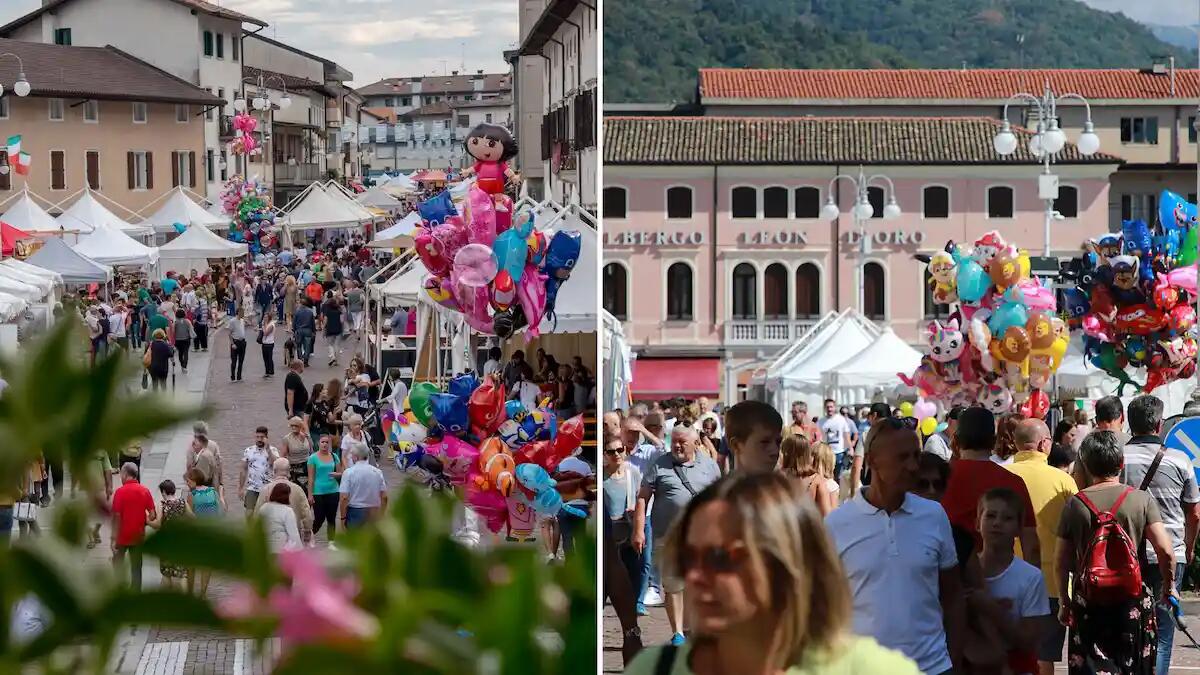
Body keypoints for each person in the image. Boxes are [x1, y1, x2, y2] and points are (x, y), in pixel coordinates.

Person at [627, 470, 922, 674]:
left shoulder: (874, 671)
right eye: (687, 558)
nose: (694, 576)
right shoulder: (653, 669)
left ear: (788, 563)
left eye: (720, 558)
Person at [825, 417, 966, 674]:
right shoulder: (836, 524)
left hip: (933, 667)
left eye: (916, 456)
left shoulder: (933, 515)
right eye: (902, 457)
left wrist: (953, 659)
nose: (913, 466)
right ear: (873, 459)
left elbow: (953, 594)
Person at [1056, 430, 1176, 674]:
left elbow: (1061, 560)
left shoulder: (1074, 504)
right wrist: (1169, 586)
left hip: (1088, 598)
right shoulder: (1141, 500)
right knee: (1132, 664)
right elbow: (1165, 550)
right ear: (1121, 463)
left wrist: (1064, 601)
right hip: (1130, 597)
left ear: (1086, 464)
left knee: (1089, 665)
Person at [1120, 395, 1200, 675]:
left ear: (1130, 424)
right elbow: (1194, 513)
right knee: (1163, 633)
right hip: (1170, 553)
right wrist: (1188, 549)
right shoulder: (1180, 460)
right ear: (1159, 424)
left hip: (1123, 553)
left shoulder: (1118, 460)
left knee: (1127, 627)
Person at [632, 425, 721, 646]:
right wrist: (638, 529)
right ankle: (678, 633)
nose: (678, 446)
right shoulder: (659, 463)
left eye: (683, 442)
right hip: (667, 535)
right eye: (675, 442)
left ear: (695, 443)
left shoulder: (710, 467)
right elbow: (643, 497)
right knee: (673, 584)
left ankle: (691, 627)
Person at [1002, 419, 1078, 675]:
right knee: (1044, 657)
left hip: (1005, 580)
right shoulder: (1063, 481)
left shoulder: (1001, 476)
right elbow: (1077, 532)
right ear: (1045, 444)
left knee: (1008, 655)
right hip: (1053, 582)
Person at [940, 406, 1040, 567]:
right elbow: (1031, 545)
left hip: (948, 577)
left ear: (956, 441)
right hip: (1000, 573)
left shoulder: (936, 479)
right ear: (993, 441)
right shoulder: (1013, 481)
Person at [975, 488, 1051, 675]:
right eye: (991, 516)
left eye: (1007, 518)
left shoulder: (1031, 578)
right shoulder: (962, 571)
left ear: (1018, 528)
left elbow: (1028, 641)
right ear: (978, 522)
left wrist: (991, 610)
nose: (997, 524)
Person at [604, 435, 644, 615]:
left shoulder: (633, 472)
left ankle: (632, 610)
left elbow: (641, 499)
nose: (616, 455)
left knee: (633, 572)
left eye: (620, 450)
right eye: (611, 451)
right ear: (605, 454)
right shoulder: (602, 477)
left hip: (629, 529)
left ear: (625, 451)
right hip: (609, 532)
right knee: (607, 575)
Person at [110, 463, 155, 590]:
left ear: (125, 474)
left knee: (117, 562)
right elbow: (152, 515)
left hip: (122, 536)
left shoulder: (120, 492)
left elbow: (117, 516)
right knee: (136, 566)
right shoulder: (144, 491)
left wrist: (113, 538)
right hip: (138, 536)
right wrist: (141, 520)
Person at [255, 460, 311, 546]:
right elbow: (306, 513)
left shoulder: (266, 489)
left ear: (274, 471)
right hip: (294, 534)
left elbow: (257, 515)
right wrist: (307, 531)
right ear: (288, 471)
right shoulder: (298, 489)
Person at [777, 434, 836, 516]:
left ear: (786, 453)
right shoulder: (816, 480)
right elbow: (827, 514)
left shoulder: (776, 478)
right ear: (807, 453)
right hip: (808, 526)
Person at [148, 479, 189, 589]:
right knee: (183, 574)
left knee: (167, 573)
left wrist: (147, 522)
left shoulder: (162, 505)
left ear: (163, 492)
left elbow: (157, 524)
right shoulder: (183, 502)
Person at [722, 400, 783, 473]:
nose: (775, 451)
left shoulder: (784, 483)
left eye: (778, 442)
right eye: (765, 442)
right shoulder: (724, 484)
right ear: (736, 445)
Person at [338, 445, 387, 528]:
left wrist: (343, 518)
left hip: (355, 512)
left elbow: (344, 497)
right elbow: (384, 497)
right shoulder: (378, 472)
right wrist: (381, 514)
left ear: (356, 457)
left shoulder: (349, 473)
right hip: (373, 510)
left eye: (352, 455)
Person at [307, 435, 343, 542]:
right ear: (318, 443)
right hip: (318, 491)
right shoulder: (313, 458)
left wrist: (336, 474)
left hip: (333, 490)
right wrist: (310, 494)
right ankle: (310, 536)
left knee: (331, 518)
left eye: (327, 442)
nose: (325, 444)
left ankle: (331, 541)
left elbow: (340, 473)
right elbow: (311, 478)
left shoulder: (334, 456)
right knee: (319, 518)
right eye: (322, 442)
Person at [239, 427, 278, 518]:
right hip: (252, 488)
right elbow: (243, 469)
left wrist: (268, 449)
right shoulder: (249, 450)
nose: (259, 439)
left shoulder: (273, 450)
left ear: (266, 437)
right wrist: (241, 488)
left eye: (262, 437)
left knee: (267, 515)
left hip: (268, 488)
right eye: (257, 437)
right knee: (249, 513)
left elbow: (275, 464)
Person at [818, 399, 856, 482]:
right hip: (826, 453)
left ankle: (838, 493)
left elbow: (846, 435)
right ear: (825, 408)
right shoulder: (821, 422)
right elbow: (818, 437)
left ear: (834, 408)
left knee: (839, 476)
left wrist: (850, 448)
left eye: (831, 407)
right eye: (827, 407)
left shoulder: (841, 420)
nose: (829, 409)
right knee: (827, 477)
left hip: (839, 452)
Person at [281, 416, 313, 485]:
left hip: (307, 466)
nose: (293, 427)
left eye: (296, 426)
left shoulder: (306, 437)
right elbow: (283, 456)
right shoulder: (287, 439)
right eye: (292, 425)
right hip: (294, 468)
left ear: (300, 426)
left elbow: (311, 452)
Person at [292, 299, 317, 366]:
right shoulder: (310, 312)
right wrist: (314, 331)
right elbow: (313, 323)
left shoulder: (297, 312)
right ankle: (306, 360)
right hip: (308, 330)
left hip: (299, 330)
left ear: (301, 304)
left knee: (299, 346)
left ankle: (300, 360)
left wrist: (294, 330)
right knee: (307, 347)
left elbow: (294, 322)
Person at [228, 310, 247, 382]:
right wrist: (232, 343)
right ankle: (233, 377)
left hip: (242, 342)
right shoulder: (232, 321)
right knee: (234, 361)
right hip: (235, 342)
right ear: (238, 313)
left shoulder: (242, 320)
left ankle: (239, 376)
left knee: (241, 361)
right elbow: (229, 334)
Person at [260, 312, 276, 378]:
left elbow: (266, 333)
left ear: (269, 318)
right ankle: (267, 371)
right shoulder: (265, 324)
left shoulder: (271, 325)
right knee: (265, 358)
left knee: (269, 358)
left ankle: (271, 371)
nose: (265, 318)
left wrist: (263, 327)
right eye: (264, 317)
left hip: (269, 343)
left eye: (266, 317)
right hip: (264, 343)